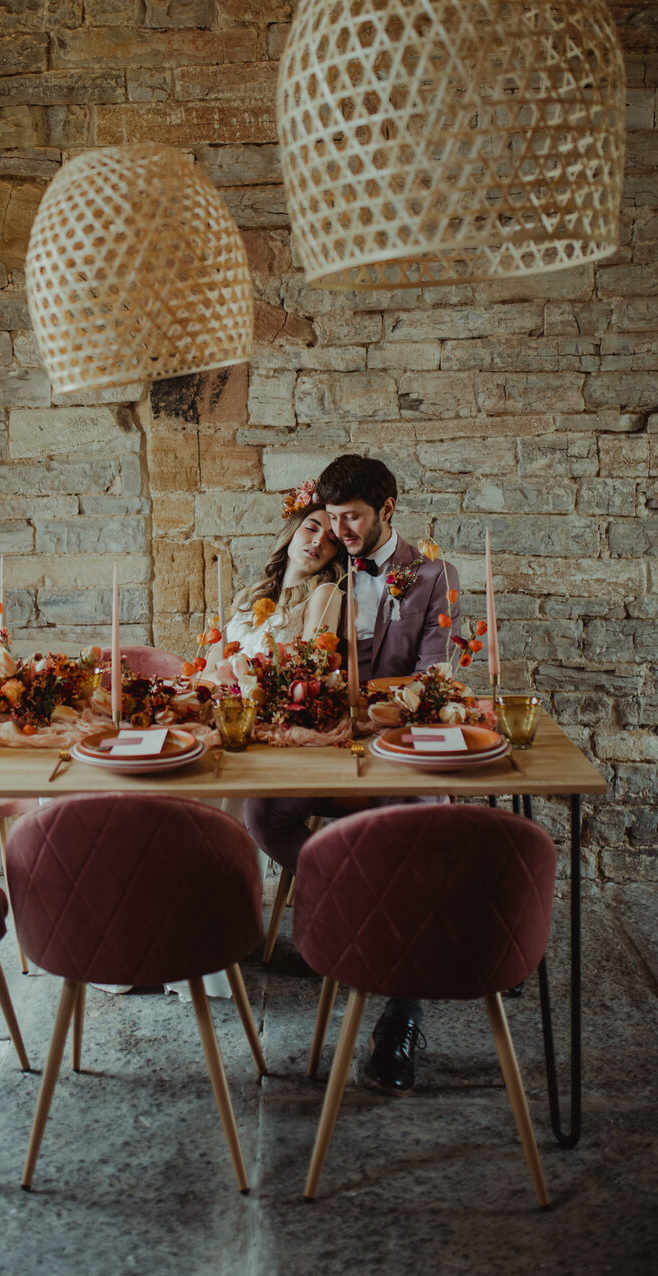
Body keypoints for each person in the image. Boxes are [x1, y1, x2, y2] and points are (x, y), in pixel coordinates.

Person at [244, 453, 461, 1099]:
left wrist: (387, 700)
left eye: (352, 517)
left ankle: (403, 1013)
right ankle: (369, 907)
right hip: (326, 745)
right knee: (264, 816)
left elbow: (434, 674)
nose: (338, 528)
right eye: (330, 516)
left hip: (399, 745)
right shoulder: (327, 564)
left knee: (414, 827)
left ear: (387, 511)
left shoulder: (431, 575)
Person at [204, 501, 345, 669]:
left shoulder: (324, 594)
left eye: (332, 539)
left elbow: (310, 670)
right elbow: (208, 671)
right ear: (291, 531)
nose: (319, 541)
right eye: (311, 529)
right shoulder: (247, 597)